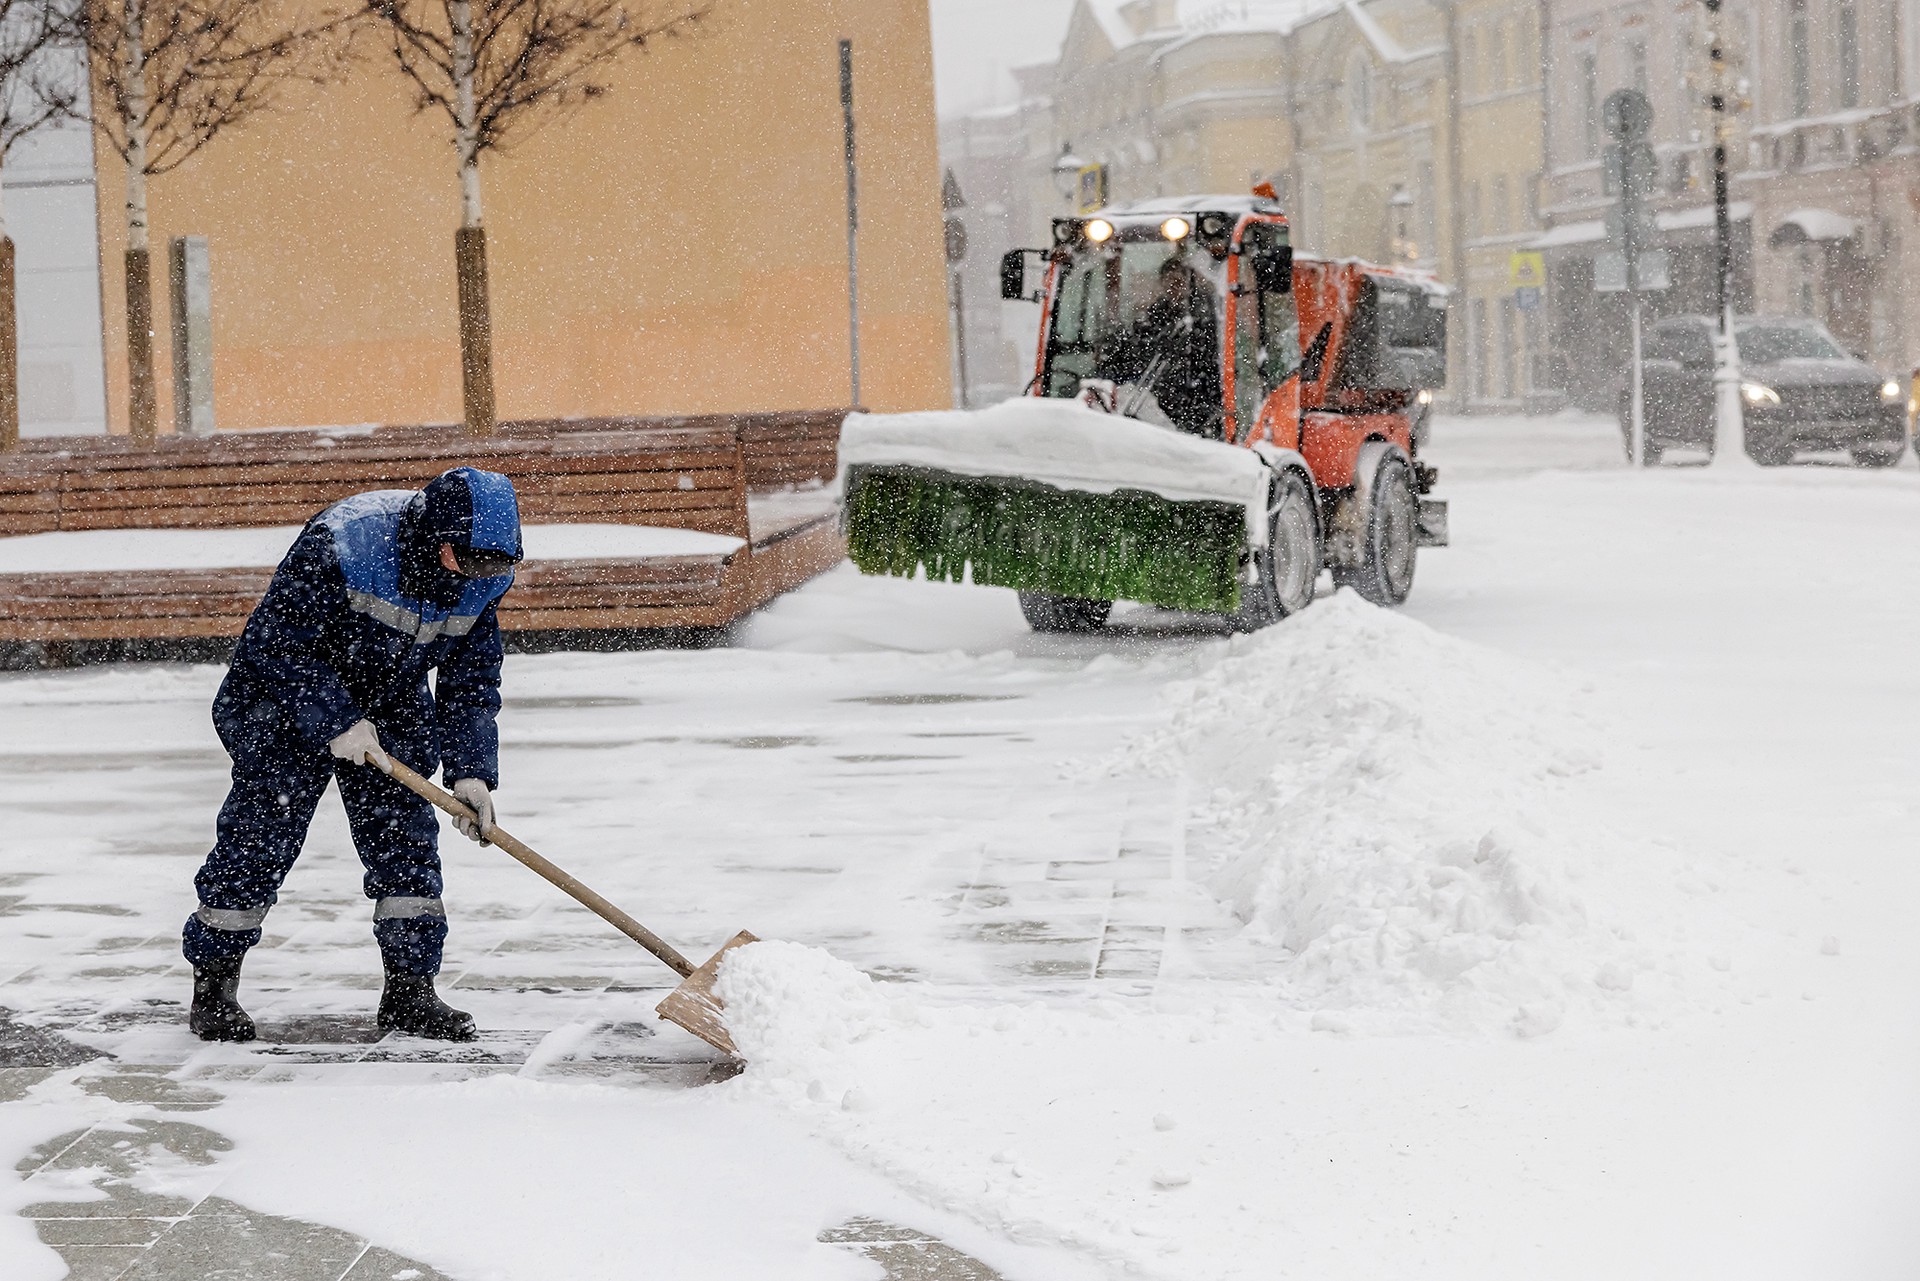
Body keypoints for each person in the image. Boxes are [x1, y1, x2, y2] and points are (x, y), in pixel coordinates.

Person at [183, 466, 524, 1044]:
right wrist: (335, 719)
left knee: (405, 844)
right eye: (468, 560)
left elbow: (470, 682)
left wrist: (471, 772)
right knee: (261, 836)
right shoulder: (344, 543)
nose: (476, 575)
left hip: (391, 698)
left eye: (492, 566)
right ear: (434, 535)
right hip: (286, 698)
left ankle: (410, 993)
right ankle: (214, 986)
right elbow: (276, 644)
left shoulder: (482, 578)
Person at [1104, 256, 1223, 438]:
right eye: (1169, 281)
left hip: (1197, 406)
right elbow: (1138, 359)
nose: (1174, 287)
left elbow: (1211, 362)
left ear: (1188, 283)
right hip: (1159, 406)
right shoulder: (1154, 316)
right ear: (1162, 283)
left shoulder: (1204, 315)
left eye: (1178, 281)